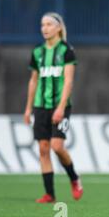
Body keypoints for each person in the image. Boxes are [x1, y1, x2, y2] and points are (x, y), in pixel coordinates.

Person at [24, 12, 83, 203]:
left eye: (49, 24)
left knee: (57, 146)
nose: (45, 28)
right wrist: (28, 108)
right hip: (40, 106)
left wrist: (60, 107)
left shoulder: (66, 50)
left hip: (61, 106)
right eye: (42, 25)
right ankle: (49, 193)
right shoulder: (38, 52)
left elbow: (68, 81)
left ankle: (74, 178)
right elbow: (33, 81)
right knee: (43, 148)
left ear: (58, 28)